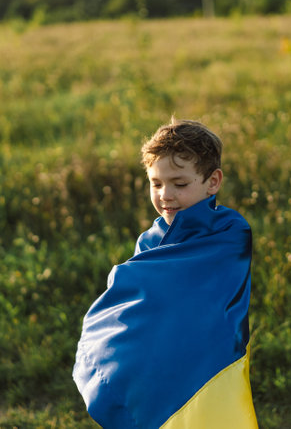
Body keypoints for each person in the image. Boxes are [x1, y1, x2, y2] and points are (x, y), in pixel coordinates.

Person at [73, 118, 258, 428]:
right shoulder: (150, 239)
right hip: (164, 357)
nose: (165, 195)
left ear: (213, 182)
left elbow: (206, 290)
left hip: (212, 356)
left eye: (179, 184)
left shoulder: (230, 232)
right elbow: (138, 299)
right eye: (156, 183)